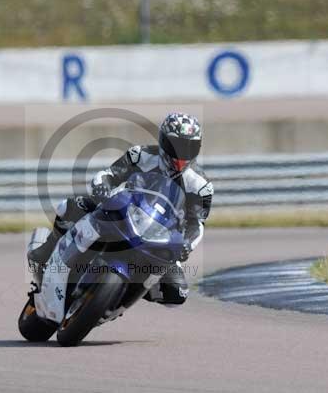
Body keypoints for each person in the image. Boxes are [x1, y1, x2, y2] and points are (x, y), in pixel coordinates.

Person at [28, 112, 213, 305]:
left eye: (189, 147)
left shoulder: (200, 185)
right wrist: (102, 186)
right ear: (163, 142)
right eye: (176, 145)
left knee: (177, 293)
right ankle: (43, 255)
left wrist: (187, 244)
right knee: (70, 207)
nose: (181, 153)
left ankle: (118, 300)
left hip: (161, 238)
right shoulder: (140, 156)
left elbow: (196, 223)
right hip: (123, 212)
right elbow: (110, 174)